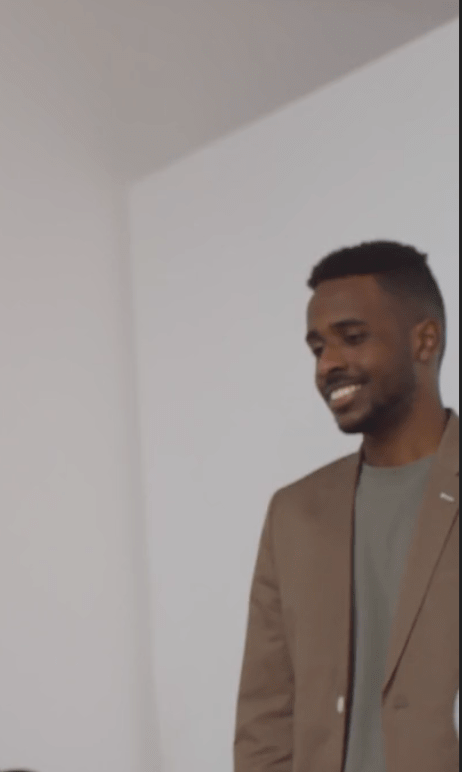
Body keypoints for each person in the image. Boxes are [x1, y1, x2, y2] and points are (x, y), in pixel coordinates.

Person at [235, 241, 459, 771]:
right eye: (318, 348)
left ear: (424, 341)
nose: (328, 365)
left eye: (352, 338)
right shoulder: (294, 515)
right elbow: (266, 721)